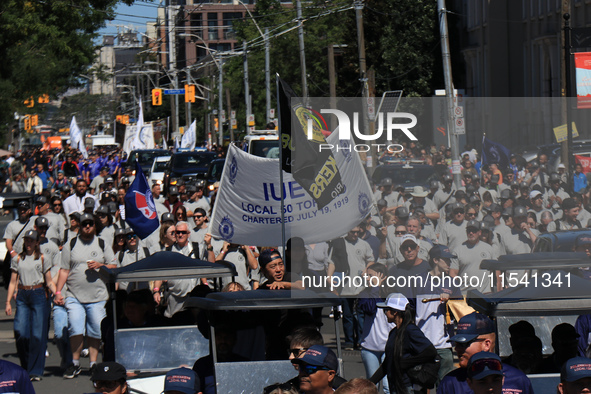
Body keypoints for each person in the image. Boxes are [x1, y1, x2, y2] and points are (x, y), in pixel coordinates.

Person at [54, 213, 117, 379]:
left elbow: (113, 265)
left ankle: (93, 364)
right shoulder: (71, 244)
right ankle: (75, 364)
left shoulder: (102, 243)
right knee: (75, 327)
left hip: (98, 296)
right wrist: (58, 292)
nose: (87, 226)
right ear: (80, 226)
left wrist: (100, 265)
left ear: (94, 225)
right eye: (84, 224)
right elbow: (64, 270)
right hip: (74, 295)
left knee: (96, 330)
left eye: (90, 224)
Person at [437, 312, 533, 394]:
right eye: (481, 381)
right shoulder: (450, 383)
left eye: (464, 344)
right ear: (470, 383)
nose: (457, 349)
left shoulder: (518, 379)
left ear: (486, 344)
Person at [5, 230, 55, 381]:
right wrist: (7, 302)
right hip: (22, 295)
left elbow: (49, 281)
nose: (29, 243)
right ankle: (26, 365)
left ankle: (36, 371)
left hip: (38, 293)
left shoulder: (41, 258)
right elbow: (13, 281)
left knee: (37, 335)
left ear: (36, 243)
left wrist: (58, 293)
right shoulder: (18, 259)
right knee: (20, 332)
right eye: (27, 240)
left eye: (31, 241)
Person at [371, 293, 437, 394]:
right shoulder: (393, 332)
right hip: (395, 386)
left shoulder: (410, 330)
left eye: (386, 310)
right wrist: (370, 382)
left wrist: (406, 362)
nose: (384, 313)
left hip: (408, 387)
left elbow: (430, 351)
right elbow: (388, 362)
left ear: (395, 312)